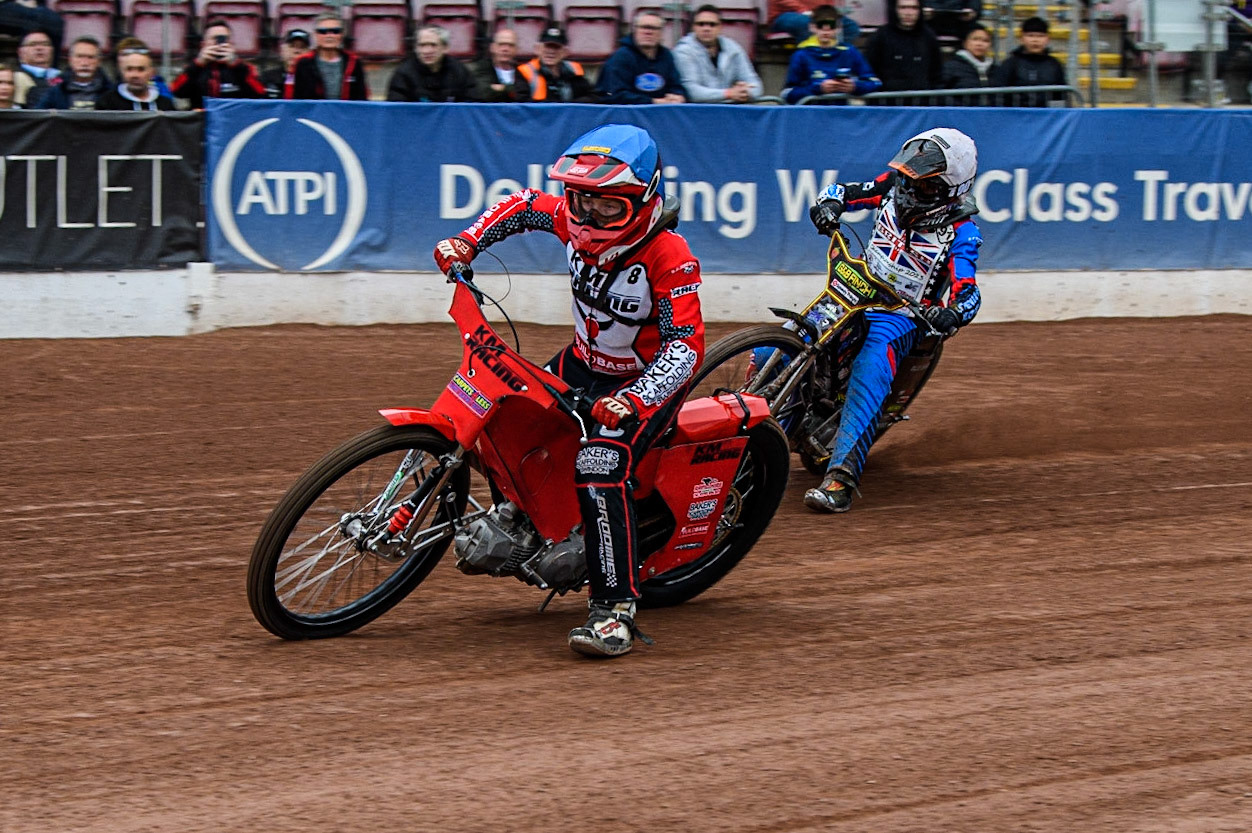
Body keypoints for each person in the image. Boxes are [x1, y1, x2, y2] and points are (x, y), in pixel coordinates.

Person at [431, 124, 705, 658]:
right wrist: (468, 241)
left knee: (601, 465)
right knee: (506, 413)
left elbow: (686, 347)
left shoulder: (670, 257)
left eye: (608, 207)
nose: (589, 217)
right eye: (581, 201)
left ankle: (614, 611)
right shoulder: (569, 216)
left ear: (645, 198)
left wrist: (634, 400)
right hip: (581, 364)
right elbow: (524, 205)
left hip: (643, 382)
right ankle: (523, 515)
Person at [803, 127, 982, 514]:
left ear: (949, 189)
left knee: (871, 363)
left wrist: (950, 312)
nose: (908, 189)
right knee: (791, 336)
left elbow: (969, 293)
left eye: (923, 184)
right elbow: (841, 191)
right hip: (857, 289)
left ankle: (841, 479)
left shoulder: (962, 232)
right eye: (908, 177)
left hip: (904, 314)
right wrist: (828, 206)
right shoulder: (890, 185)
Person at [781, 5, 880, 104]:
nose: (826, 31)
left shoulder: (849, 51)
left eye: (831, 26)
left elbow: (875, 83)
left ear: (839, 28)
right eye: (821, 26)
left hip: (842, 114)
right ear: (812, 27)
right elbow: (787, 94)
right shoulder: (801, 55)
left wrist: (855, 87)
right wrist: (818, 89)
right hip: (811, 114)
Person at [672, 5, 765, 103]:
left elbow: (755, 84)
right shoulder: (683, 51)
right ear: (693, 27)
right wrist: (729, 93)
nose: (706, 28)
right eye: (701, 24)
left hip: (728, 108)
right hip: (697, 110)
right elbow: (691, 92)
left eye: (712, 24)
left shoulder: (733, 48)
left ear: (720, 27)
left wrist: (746, 92)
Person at [170, 19, 267, 109]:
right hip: (202, 121)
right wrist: (198, 65)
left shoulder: (244, 68)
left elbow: (260, 93)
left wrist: (236, 66)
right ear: (203, 44)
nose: (218, 44)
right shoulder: (194, 68)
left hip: (233, 120)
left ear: (231, 44)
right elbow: (176, 91)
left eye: (224, 39)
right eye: (214, 39)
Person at [595, 11, 687, 104]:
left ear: (661, 33)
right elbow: (614, 95)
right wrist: (653, 102)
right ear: (635, 30)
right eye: (643, 27)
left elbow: (676, 86)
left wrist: (678, 96)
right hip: (627, 114)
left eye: (654, 28)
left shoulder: (666, 55)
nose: (648, 32)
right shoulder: (620, 57)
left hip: (660, 112)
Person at [862, 0, 944, 103]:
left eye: (914, 8)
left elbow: (937, 74)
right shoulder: (880, 37)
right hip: (887, 105)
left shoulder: (929, 37)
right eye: (903, 7)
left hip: (922, 105)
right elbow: (869, 72)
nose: (908, 13)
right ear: (894, 9)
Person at [387, 25, 480, 102]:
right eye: (422, 45)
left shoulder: (459, 71)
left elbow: (471, 105)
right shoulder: (403, 74)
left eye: (433, 45)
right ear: (415, 48)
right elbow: (396, 110)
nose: (427, 51)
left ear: (445, 48)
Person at [991, 16, 1067, 107]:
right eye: (1030, 35)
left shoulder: (1054, 65)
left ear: (1047, 39)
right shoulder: (1010, 64)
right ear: (1022, 38)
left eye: (1040, 36)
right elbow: (1000, 96)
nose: (1035, 40)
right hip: (1017, 117)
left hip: (1046, 118)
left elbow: (1060, 97)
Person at [514, 21, 597, 103]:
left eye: (556, 48)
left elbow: (593, 97)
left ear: (565, 52)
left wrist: (568, 106)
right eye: (547, 47)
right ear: (537, 49)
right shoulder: (524, 72)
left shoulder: (574, 72)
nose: (551, 51)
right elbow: (522, 103)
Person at [292, 12, 368, 100]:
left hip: (345, 112)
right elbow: (298, 98)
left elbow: (361, 97)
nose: (329, 36)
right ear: (315, 35)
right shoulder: (303, 63)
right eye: (323, 31)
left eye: (335, 31)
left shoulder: (354, 62)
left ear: (342, 34)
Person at [36, 35, 109, 109]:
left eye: (90, 57)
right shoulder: (54, 90)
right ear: (70, 60)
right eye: (79, 56)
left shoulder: (110, 92)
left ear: (99, 61)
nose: (85, 63)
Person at [95, 44, 175, 110]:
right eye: (129, 69)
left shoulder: (165, 105)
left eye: (141, 69)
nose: (135, 75)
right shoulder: (106, 103)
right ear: (122, 72)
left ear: (151, 73)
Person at [941, 22, 996, 104]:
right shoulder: (951, 67)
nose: (980, 44)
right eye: (975, 39)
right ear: (965, 43)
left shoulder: (997, 70)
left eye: (985, 41)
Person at [768, 0, 860, 46]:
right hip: (785, 15)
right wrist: (803, 10)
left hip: (818, 14)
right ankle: (811, 61)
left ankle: (837, 58)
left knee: (850, 26)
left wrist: (830, 13)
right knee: (807, 24)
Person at [470, 27, 525, 102]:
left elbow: (525, 93)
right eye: (501, 44)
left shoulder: (524, 71)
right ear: (492, 47)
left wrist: (500, 88)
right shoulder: (479, 69)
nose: (505, 49)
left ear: (517, 49)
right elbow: (484, 93)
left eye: (511, 45)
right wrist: (511, 89)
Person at [13, 28, 58, 106]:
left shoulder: (60, 76)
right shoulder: (15, 77)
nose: (39, 48)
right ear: (20, 52)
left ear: (52, 50)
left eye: (45, 44)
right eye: (33, 44)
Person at [261, 28, 310, 99]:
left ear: (309, 52)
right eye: (292, 46)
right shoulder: (268, 77)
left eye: (302, 47)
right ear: (282, 50)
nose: (296, 51)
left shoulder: (313, 79)